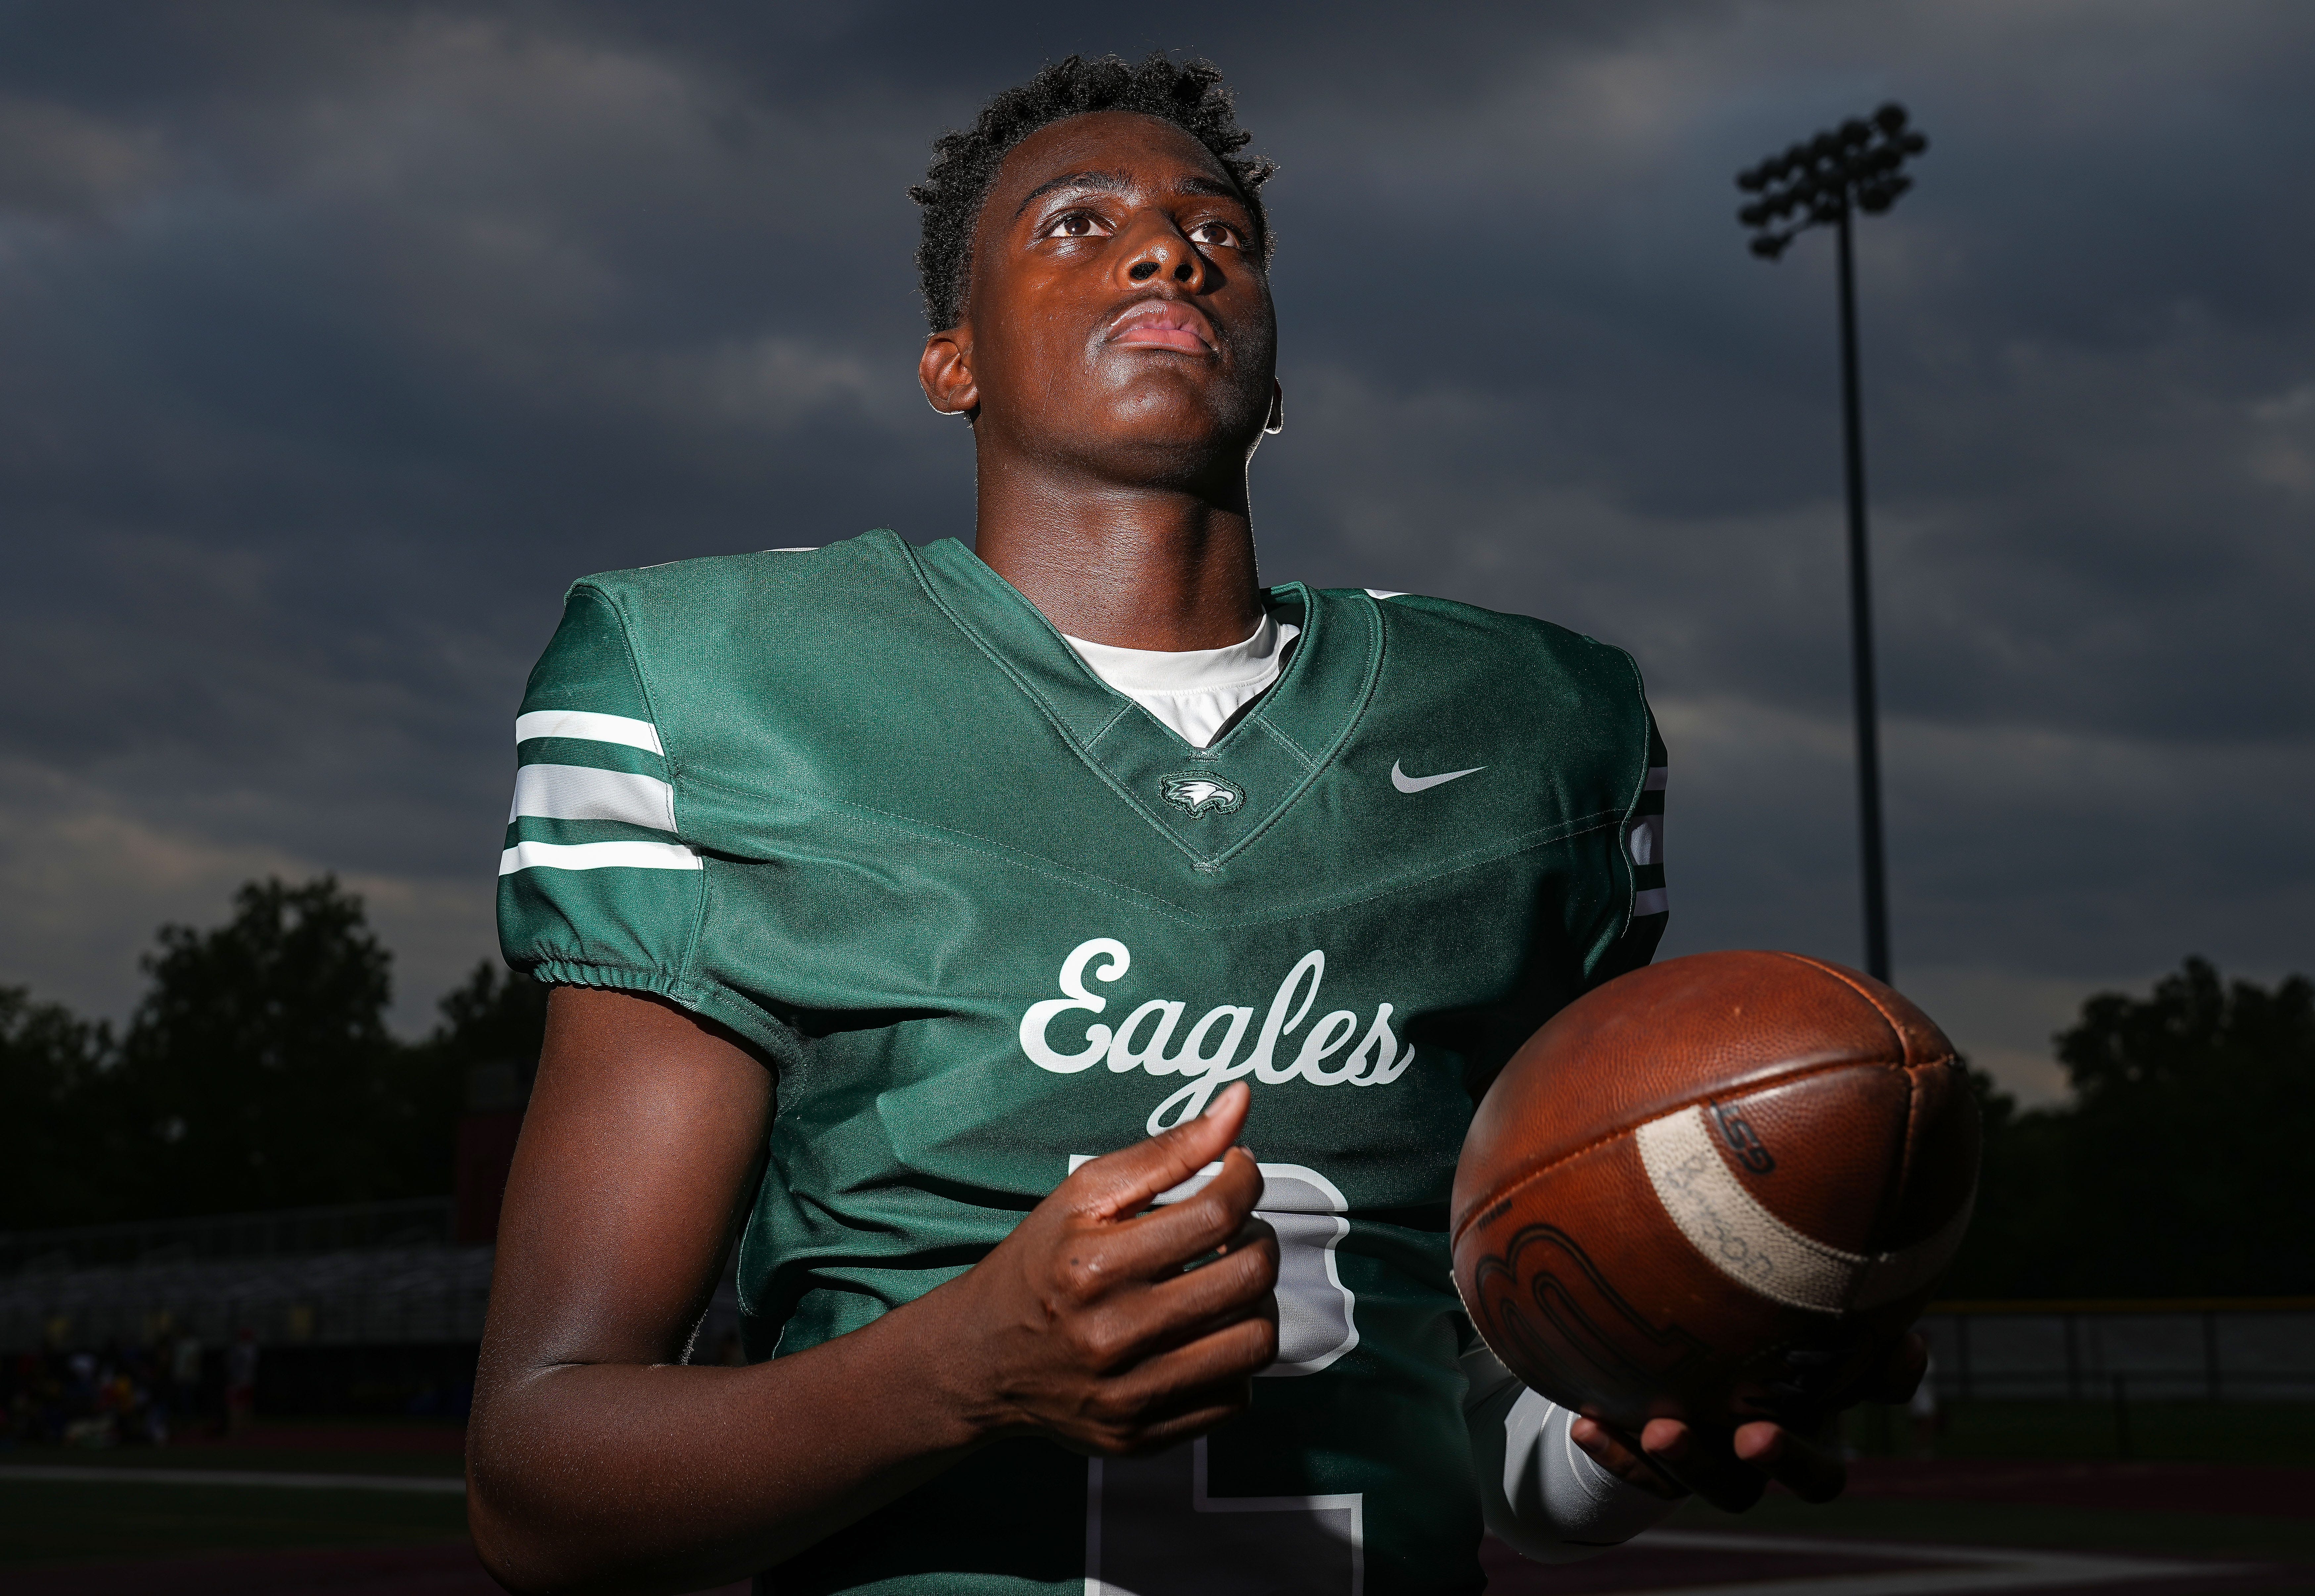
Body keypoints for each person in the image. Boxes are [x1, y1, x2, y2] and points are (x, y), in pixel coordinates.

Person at [467, 53, 1921, 1596]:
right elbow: (543, 1490)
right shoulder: (732, 689)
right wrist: (952, 1373)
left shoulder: (1528, 734)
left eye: (1219, 233)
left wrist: (1622, 1427)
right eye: (1078, 224)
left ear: (1275, 377)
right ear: (952, 361)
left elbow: (1469, 1417)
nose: (1169, 251)